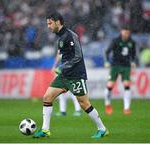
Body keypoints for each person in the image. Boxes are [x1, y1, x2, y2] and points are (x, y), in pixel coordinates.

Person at [33, 11, 108, 139]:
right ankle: (45, 130)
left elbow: (78, 56)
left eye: (50, 23)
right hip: (64, 76)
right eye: (47, 24)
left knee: (84, 103)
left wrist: (62, 67)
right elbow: (64, 56)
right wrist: (60, 66)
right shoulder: (60, 38)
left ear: (58, 22)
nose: (48, 26)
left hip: (76, 75)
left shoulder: (70, 35)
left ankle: (102, 129)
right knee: (47, 97)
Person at [104, 25, 136, 115]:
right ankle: (108, 104)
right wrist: (106, 61)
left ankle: (126, 108)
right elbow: (107, 51)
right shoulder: (115, 41)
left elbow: (133, 53)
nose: (127, 34)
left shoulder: (131, 42)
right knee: (110, 85)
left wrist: (133, 61)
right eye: (125, 32)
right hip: (115, 65)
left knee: (126, 84)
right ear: (121, 31)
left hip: (126, 66)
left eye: (128, 33)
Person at [52, 50, 82, 117]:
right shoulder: (72, 45)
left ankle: (77, 110)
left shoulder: (64, 43)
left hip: (66, 70)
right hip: (68, 70)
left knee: (70, 91)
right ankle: (64, 111)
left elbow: (59, 54)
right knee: (64, 91)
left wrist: (54, 65)